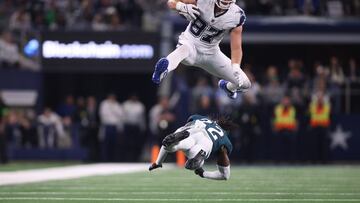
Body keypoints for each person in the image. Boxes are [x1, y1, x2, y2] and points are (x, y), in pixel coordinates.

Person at [152, 0, 251, 99]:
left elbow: (236, 47)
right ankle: (164, 67)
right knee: (183, 50)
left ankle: (228, 87)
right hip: (191, 45)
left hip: (212, 53)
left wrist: (236, 66)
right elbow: (171, 2)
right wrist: (181, 6)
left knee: (245, 84)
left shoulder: (236, 15)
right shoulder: (202, 1)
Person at [149, 115, 237, 181]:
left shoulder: (203, 118)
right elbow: (225, 175)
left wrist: (158, 162)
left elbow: (190, 122)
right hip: (207, 142)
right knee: (197, 156)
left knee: (171, 146)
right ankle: (199, 157)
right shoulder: (224, 139)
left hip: (193, 131)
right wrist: (203, 174)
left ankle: (178, 138)